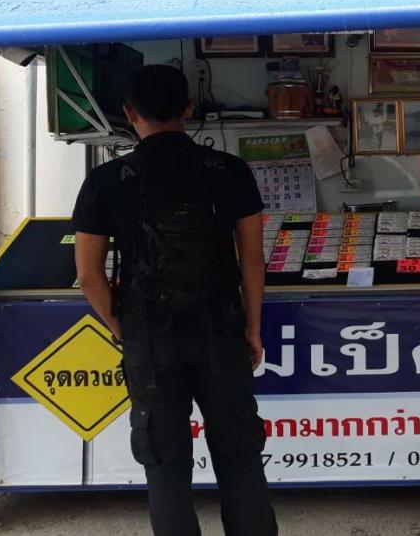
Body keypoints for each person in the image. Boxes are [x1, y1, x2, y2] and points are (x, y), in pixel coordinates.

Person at [72, 64, 279, 536]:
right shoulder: (230, 170)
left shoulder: (106, 180)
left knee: (164, 461)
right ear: (188, 108)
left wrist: (122, 325)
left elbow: (87, 275)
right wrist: (252, 327)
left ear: (128, 113)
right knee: (240, 454)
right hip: (221, 330)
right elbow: (252, 260)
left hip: (149, 338)